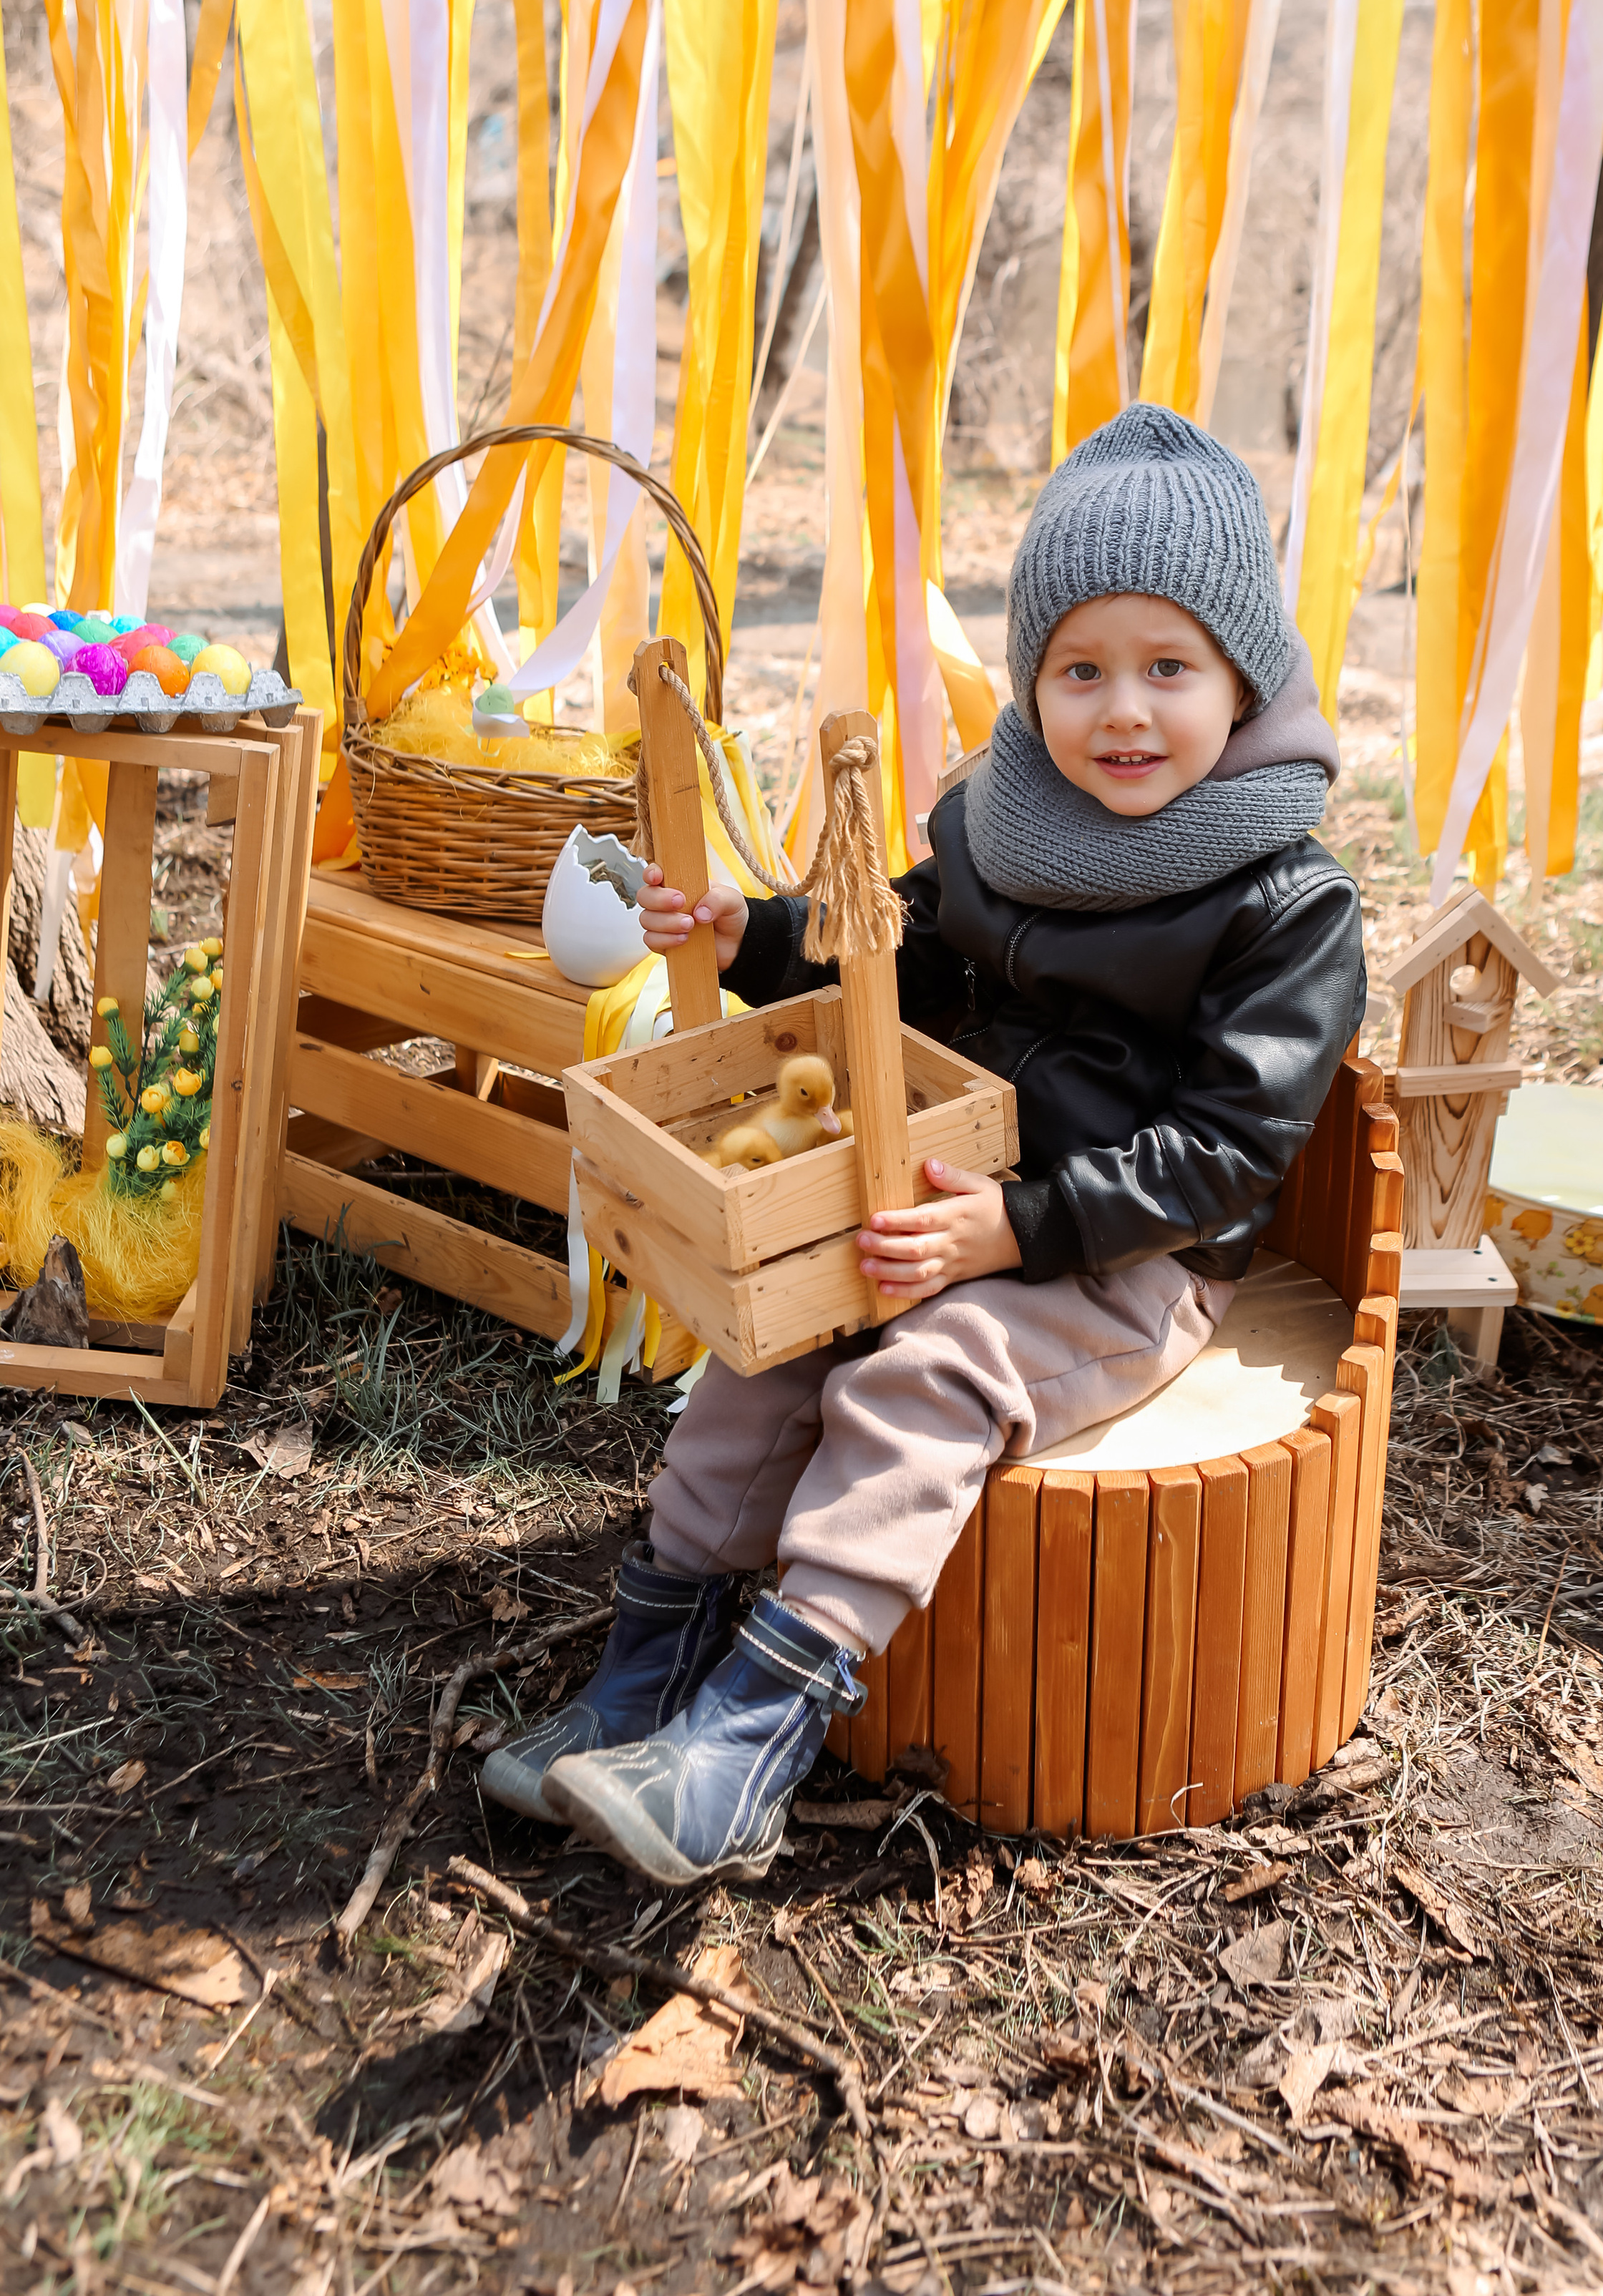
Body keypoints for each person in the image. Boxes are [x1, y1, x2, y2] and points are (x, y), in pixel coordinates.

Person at [481, 402, 1366, 1882]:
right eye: (1078, 672)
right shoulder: (1000, 819)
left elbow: (1222, 1150)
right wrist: (751, 934)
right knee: (772, 1353)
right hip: (940, 1189)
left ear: (1243, 677)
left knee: (921, 1372)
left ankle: (750, 1740)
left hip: (1119, 1255)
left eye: (1168, 670)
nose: (1122, 713)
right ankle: (642, 1680)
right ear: (1031, 685)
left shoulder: (1283, 899)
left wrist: (1013, 1231)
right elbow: (887, 947)